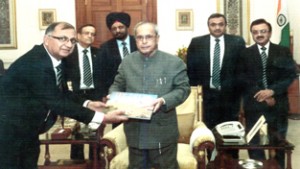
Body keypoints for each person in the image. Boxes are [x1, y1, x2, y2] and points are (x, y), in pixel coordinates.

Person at [0, 22, 128, 169]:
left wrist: (88, 103)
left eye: (72, 41)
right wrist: (102, 117)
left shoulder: (54, 59)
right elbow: (56, 102)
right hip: (8, 132)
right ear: (46, 39)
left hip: (27, 131)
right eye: (62, 39)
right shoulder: (36, 64)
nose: (68, 44)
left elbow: (63, 92)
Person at [108, 21, 190, 169]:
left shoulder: (173, 62)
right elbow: (117, 84)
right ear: (135, 40)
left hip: (162, 132)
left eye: (148, 37)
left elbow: (183, 89)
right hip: (135, 131)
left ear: (157, 38)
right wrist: (113, 97)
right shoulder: (127, 61)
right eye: (139, 37)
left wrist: (164, 100)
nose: (144, 41)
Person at [237, 19, 296, 168]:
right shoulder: (245, 53)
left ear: (269, 33)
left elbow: (290, 76)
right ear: (252, 34)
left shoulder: (282, 51)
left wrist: (272, 91)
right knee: (255, 144)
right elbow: (242, 78)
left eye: (263, 31)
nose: (259, 35)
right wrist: (262, 95)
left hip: (278, 106)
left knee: (279, 144)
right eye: (255, 32)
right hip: (254, 106)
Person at [186, 13, 245, 158]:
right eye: (213, 24)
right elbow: (190, 70)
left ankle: (231, 162)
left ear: (225, 26)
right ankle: (211, 162)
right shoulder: (197, 43)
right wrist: (196, 95)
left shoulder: (237, 42)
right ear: (208, 26)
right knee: (208, 135)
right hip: (206, 97)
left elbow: (242, 69)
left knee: (231, 135)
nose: (217, 27)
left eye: (220, 24)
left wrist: (238, 94)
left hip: (230, 98)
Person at [63, 24, 103, 160]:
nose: (90, 36)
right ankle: (77, 161)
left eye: (93, 34)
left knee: (95, 129)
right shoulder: (68, 54)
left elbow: (104, 76)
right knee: (76, 131)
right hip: (75, 95)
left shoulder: (99, 53)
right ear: (78, 36)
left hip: (94, 95)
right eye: (86, 33)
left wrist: (102, 95)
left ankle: (95, 161)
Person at [96, 11, 138, 128]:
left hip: (138, 91)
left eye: (120, 27)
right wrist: (104, 94)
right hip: (116, 93)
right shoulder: (105, 47)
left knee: (139, 123)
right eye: (114, 28)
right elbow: (100, 73)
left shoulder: (139, 43)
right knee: (118, 124)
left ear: (127, 27)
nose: (117, 30)